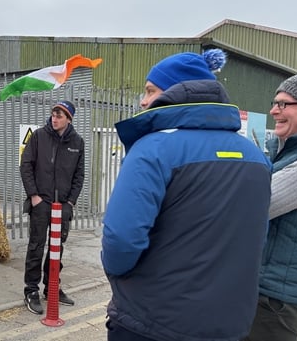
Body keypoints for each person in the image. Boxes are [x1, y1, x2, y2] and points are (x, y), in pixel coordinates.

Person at [101, 49, 272, 341]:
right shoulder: (256, 157)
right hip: (231, 323)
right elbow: (257, 237)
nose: (143, 100)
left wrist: (120, 277)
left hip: (153, 320)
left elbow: (121, 240)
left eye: (150, 90)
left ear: (177, 91)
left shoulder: (152, 149)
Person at [243, 72, 297, 341]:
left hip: (275, 301)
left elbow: (252, 206)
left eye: (283, 104)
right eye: (274, 102)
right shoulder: (282, 151)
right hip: (260, 292)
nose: (273, 110)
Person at [19, 100, 85, 315]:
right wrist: (34, 196)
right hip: (42, 203)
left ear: (69, 119)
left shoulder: (77, 142)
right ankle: (31, 290)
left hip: (62, 206)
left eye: (59, 116)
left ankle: (52, 287)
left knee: (57, 249)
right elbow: (26, 165)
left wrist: (71, 202)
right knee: (36, 247)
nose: (54, 119)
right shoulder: (39, 136)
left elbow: (79, 175)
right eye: (53, 115)